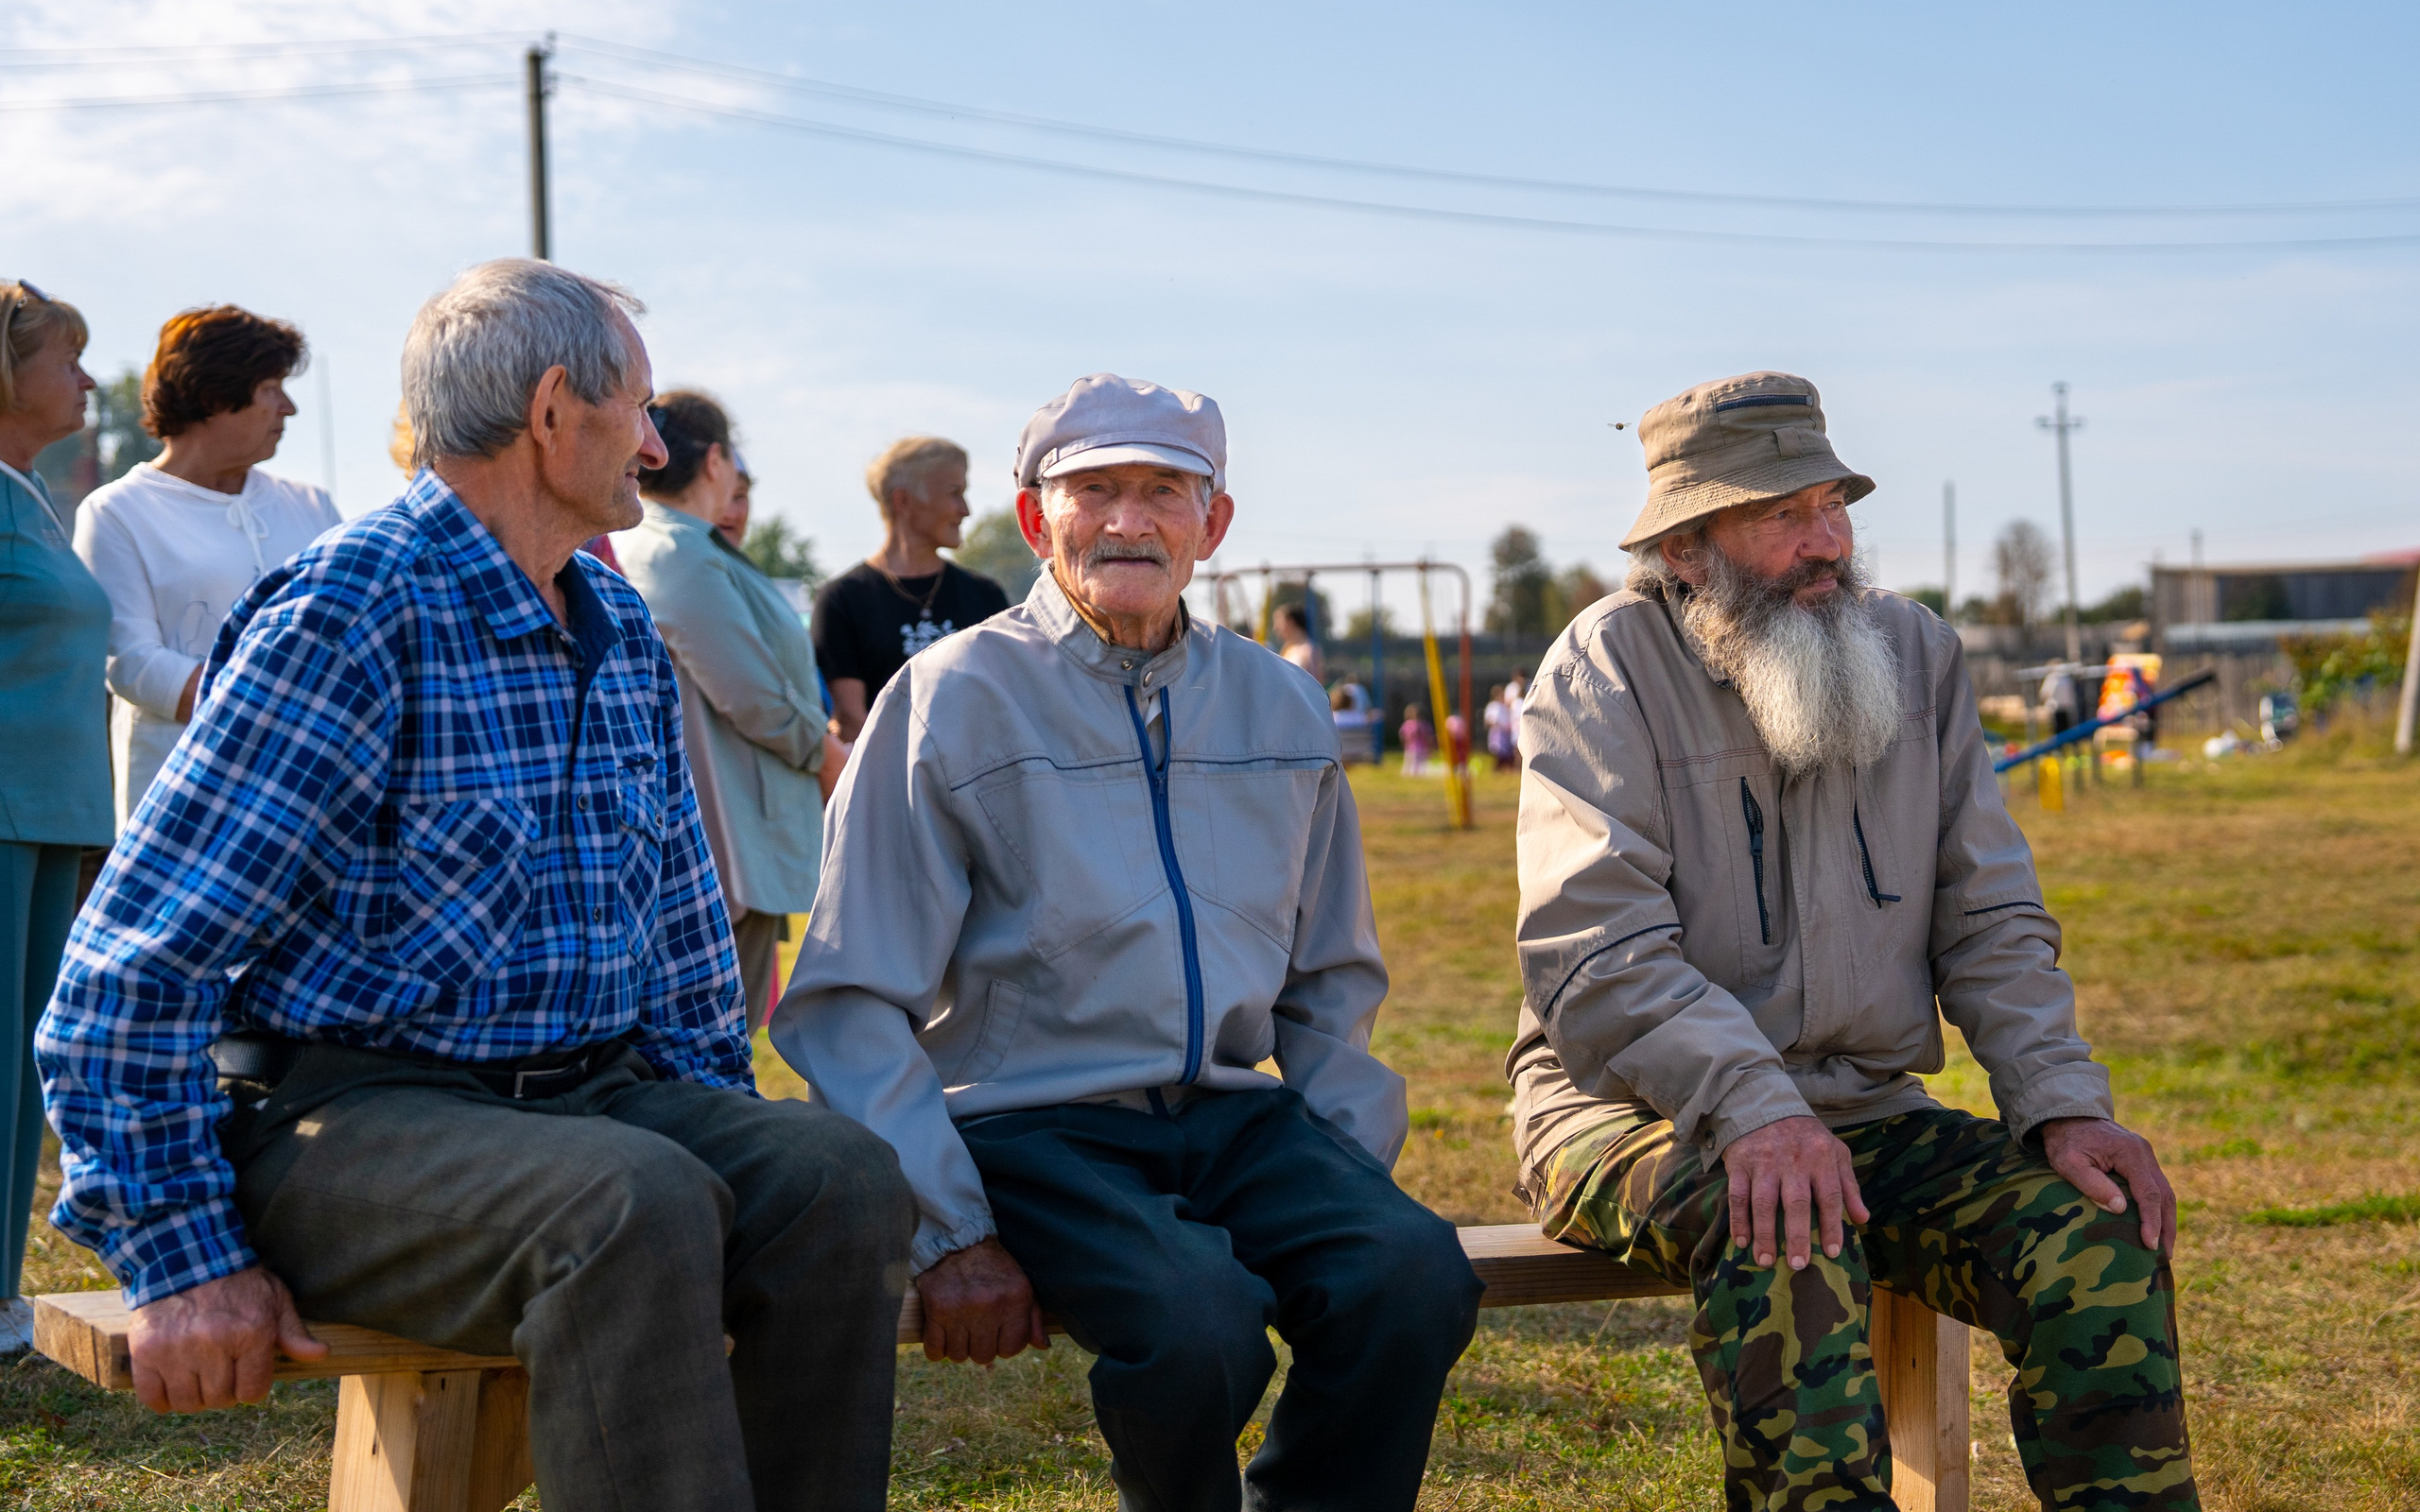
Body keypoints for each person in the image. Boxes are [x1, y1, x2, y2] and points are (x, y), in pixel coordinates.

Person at [39, 259, 912, 1512]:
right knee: (632, 1203)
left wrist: (732, 1136)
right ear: (553, 412)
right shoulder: (350, 612)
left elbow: (677, 942)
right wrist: (181, 1255)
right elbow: (133, 962)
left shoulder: (614, 622)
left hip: (589, 1096)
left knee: (838, 1180)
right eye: (639, 409)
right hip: (348, 1115)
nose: (654, 445)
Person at [774, 372, 1481, 1512]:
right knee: (1197, 1322)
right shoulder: (950, 698)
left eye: (1162, 491)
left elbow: (1330, 977)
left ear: (1214, 522)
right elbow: (849, 997)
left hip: (1232, 1112)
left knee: (1410, 1275)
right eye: (1093, 490)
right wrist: (949, 1228)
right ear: (1033, 518)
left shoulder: (1278, 704)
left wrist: (1347, 1169)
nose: (1127, 520)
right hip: (1033, 1124)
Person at [1507, 371, 2195, 1512]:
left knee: (2095, 1236)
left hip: (1865, 1110)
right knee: (1787, 1232)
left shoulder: (1913, 650)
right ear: (1684, 546)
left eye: (1832, 504)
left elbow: (1989, 916)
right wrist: (1753, 1106)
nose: (1827, 541)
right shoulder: (1603, 669)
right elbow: (1597, 950)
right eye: (1783, 514)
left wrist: (2060, 1102)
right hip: (1629, 1115)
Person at [612, 392, 839, 1027]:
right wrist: (829, 755)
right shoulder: (675, 551)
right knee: (715, 1038)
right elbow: (753, 696)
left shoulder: (673, 545)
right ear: (716, 460)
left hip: (723, 834)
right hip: (723, 841)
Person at [73, 305, 342, 828]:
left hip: (314, 799)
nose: (288, 408)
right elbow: (130, 662)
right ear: (215, 395)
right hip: (181, 805)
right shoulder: (116, 511)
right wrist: (270, 714)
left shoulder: (313, 506)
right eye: (271, 389)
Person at [0, 279, 110, 1355]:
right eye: (67, 359)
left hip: (50, 815)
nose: (85, 379)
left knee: (16, 1070)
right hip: (3, 810)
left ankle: (0, 1293)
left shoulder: (30, 494)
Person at [811, 436, 1008, 743]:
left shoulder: (986, 595)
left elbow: (1006, 705)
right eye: (954, 493)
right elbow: (851, 721)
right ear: (903, 501)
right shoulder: (842, 600)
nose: (966, 510)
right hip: (887, 772)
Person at [1272, 600, 1322, 681]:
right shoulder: (1286, 649)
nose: (1275, 628)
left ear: (1290, 622)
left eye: (1278, 622)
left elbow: (1316, 682)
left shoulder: (1309, 650)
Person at [1399, 701, 1434, 775]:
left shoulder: (1407, 724)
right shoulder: (1424, 725)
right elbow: (1429, 738)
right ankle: (1416, 774)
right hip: (1421, 747)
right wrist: (1430, 747)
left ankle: (1408, 774)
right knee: (1419, 763)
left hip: (1410, 747)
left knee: (1409, 762)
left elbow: (1402, 736)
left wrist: (1404, 743)